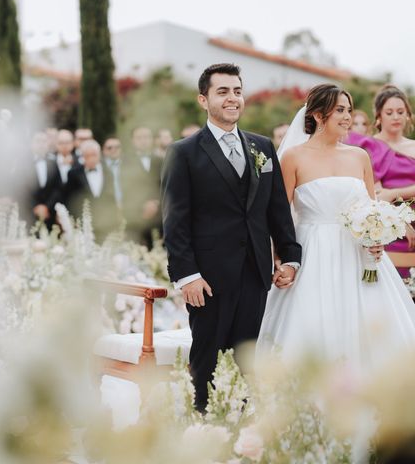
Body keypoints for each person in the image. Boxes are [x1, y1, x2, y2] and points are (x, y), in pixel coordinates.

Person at [161, 63, 301, 411]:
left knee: (247, 357)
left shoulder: (263, 147)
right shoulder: (184, 152)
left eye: (237, 90)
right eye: (222, 91)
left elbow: (277, 210)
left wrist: (290, 256)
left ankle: (242, 429)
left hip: (256, 272)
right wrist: (187, 275)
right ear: (203, 99)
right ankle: (203, 429)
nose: (232, 98)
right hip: (207, 277)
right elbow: (175, 221)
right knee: (207, 357)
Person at [257, 84, 415, 374]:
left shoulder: (359, 156)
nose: (347, 117)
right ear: (318, 115)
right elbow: (279, 217)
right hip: (312, 253)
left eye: (349, 110)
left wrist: (375, 237)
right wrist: (278, 260)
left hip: (358, 256)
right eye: (340, 110)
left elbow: (372, 208)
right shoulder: (293, 157)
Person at [347, 85, 415, 277]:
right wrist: (401, 221)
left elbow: (387, 193)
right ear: (378, 116)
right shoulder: (367, 147)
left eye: (400, 112)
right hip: (385, 228)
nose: (396, 117)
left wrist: (393, 193)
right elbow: (372, 194)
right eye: (389, 112)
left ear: (408, 114)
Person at [64, 139, 119, 240]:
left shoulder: (108, 172)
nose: (91, 159)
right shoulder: (73, 173)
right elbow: (69, 199)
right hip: (83, 223)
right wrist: (74, 222)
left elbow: (112, 197)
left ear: (99, 155)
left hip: (105, 222)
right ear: (82, 157)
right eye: (87, 156)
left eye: (94, 155)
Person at [122, 126, 162, 247]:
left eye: (146, 137)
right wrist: (141, 206)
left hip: (159, 217)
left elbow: (167, 186)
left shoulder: (162, 160)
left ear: (152, 140)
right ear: (133, 141)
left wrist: (156, 203)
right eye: (139, 138)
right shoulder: (124, 163)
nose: (143, 141)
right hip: (135, 218)